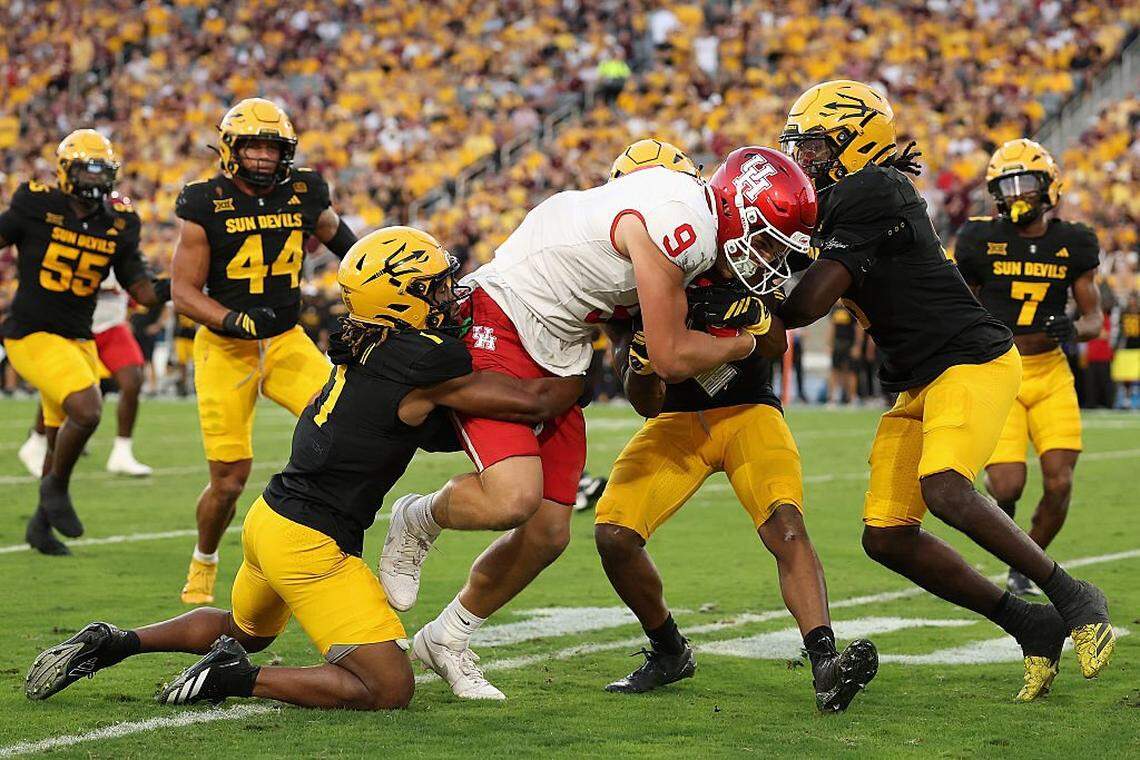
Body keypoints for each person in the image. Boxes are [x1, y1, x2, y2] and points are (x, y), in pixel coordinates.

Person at [24, 226, 582, 711]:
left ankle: (115, 641)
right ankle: (234, 679)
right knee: (388, 687)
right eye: (432, 285)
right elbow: (535, 400)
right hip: (314, 541)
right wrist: (589, 350)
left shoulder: (367, 343)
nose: (447, 293)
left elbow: (423, 428)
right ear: (398, 299)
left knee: (241, 630)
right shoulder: (423, 359)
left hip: (271, 520)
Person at [380, 143, 806, 700]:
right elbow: (672, 355)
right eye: (771, 239)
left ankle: (450, 636)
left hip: (562, 347)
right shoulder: (682, 226)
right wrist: (745, 343)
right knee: (512, 498)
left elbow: (645, 370)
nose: (769, 258)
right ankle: (419, 518)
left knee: (549, 531)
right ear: (741, 213)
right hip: (506, 318)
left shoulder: (679, 211)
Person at [776, 80, 1115, 701]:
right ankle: (1030, 623)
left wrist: (749, 290)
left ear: (856, 141)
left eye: (818, 147)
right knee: (885, 536)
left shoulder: (874, 188)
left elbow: (808, 303)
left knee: (944, 487)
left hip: (970, 360)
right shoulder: (844, 197)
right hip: (916, 381)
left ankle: (1072, 595)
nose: (806, 161)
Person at [595, 268, 878, 712]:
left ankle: (826, 664)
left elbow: (776, 343)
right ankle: (670, 651)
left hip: (749, 411)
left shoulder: (747, 266)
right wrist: (642, 364)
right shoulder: (632, 285)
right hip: (674, 421)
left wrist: (759, 318)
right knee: (614, 534)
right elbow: (644, 403)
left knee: (785, 525)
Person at [171, 98, 358, 605]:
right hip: (224, 349)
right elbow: (183, 291)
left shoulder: (304, 190)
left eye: (271, 147)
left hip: (284, 341)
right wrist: (230, 319)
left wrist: (380, 273)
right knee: (230, 479)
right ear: (230, 149)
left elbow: (347, 245)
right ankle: (204, 560)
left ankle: (317, 538)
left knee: (343, 423)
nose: (261, 157)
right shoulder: (202, 201)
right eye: (252, 145)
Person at [0, 129, 168, 555]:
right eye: (86, 170)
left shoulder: (119, 220)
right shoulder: (36, 203)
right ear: (65, 171)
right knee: (88, 408)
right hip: (31, 333)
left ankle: (40, 526)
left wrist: (181, 285)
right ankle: (55, 490)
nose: (94, 179)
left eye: (102, 171)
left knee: (60, 434)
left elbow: (142, 291)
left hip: (79, 338)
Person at [954, 139, 1103, 595]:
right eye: (1008, 185)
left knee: (1059, 483)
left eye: (1026, 184)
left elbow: (1094, 320)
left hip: (1051, 373)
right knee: (1008, 486)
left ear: (1049, 187)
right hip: (1001, 371)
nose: (1017, 194)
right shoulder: (980, 238)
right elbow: (959, 304)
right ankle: (1014, 536)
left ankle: (1028, 563)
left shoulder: (1073, 241)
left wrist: (1071, 329)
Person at [1111, 291, 1140, 407]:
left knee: (1137, 374)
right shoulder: (1123, 313)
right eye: (1130, 299)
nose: (1132, 302)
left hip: (1138, 346)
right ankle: (1126, 400)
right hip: (1127, 347)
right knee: (1126, 375)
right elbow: (1119, 330)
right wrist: (1116, 346)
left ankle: (1134, 399)